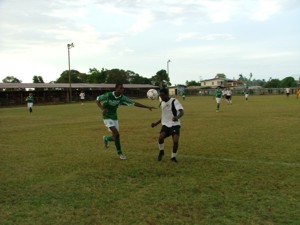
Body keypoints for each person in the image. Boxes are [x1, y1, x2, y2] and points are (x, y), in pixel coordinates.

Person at [96, 83, 156, 160]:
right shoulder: (108, 95)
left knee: (116, 137)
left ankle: (106, 139)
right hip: (107, 117)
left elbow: (134, 103)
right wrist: (102, 109)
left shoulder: (122, 97)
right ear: (116, 88)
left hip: (114, 117)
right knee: (116, 133)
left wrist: (147, 107)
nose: (122, 89)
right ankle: (120, 153)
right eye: (120, 88)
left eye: (123, 88)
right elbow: (97, 100)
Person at [151, 88, 184, 163]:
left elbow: (182, 112)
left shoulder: (174, 101)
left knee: (175, 141)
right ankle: (161, 151)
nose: (161, 97)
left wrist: (177, 117)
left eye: (163, 95)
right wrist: (156, 123)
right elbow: (164, 116)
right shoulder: (162, 103)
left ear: (167, 94)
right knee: (160, 138)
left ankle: (173, 157)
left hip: (175, 124)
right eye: (160, 96)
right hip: (166, 124)